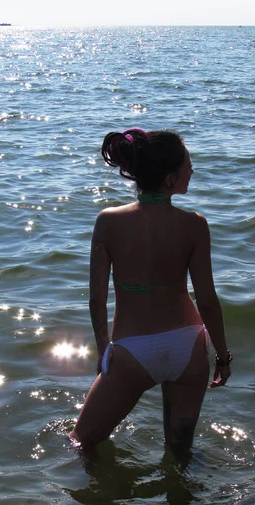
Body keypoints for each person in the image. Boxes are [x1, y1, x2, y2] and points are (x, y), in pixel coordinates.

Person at [70, 128, 232, 453]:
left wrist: (104, 351)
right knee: (179, 453)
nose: (192, 170)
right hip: (188, 346)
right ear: (170, 179)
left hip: (132, 352)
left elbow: (96, 300)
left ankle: (97, 501)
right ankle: (183, 504)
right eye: (188, 165)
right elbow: (208, 302)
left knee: (80, 443)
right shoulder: (195, 225)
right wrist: (223, 356)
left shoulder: (108, 222)